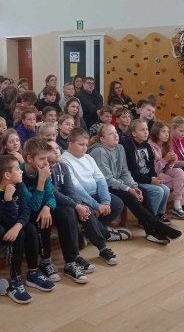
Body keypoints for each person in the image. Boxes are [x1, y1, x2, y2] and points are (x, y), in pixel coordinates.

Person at [88, 124, 182, 244]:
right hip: (103, 187)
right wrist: (128, 189)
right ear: (102, 139)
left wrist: (134, 186)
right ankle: (159, 227)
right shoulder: (99, 151)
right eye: (111, 134)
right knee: (129, 196)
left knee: (143, 192)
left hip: (118, 184)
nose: (115, 135)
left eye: (116, 132)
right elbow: (107, 180)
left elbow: (125, 172)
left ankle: (151, 232)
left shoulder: (119, 148)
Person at [21, 138, 90, 284]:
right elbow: (33, 206)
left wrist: (47, 207)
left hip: (43, 208)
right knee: (40, 217)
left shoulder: (43, 170)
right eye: (42, 159)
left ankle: (71, 262)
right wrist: (41, 181)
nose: (46, 163)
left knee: (68, 212)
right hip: (27, 214)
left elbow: (51, 196)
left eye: (47, 158)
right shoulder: (20, 175)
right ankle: (45, 261)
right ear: (29, 158)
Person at [61, 127, 131, 243]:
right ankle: (105, 234)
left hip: (95, 194)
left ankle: (90, 233)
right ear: (71, 144)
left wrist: (105, 201)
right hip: (80, 198)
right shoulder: (64, 160)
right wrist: (97, 205)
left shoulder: (88, 157)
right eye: (81, 144)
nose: (85, 148)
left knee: (117, 204)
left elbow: (101, 180)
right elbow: (76, 188)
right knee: (88, 211)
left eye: (86, 145)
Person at [0, 155, 51, 304]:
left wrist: (18, 226)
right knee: (18, 235)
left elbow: (25, 210)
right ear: (7, 175)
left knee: (31, 230)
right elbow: (8, 220)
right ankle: (15, 279)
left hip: (16, 223)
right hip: (3, 224)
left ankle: (33, 272)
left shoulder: (19, 185)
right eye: (18, 169)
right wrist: (8, 199)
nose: (21, 171)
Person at [124, 120, 171, 223]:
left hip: (147, 179)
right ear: (134, 133)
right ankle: (147, 220)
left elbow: (151, 165)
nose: (146, 132)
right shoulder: (129, 147)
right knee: (158, 191)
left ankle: (158, 215)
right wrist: (150, 181)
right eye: (142, 130)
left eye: (147, 129)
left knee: (166, 189)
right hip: (136, 181)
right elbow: (134, 172)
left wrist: (153, 177)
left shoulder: (147, 146)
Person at [149, 121, 184, 220]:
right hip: (154, 175)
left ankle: (178, 206)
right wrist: (165, 160)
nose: (166, 134)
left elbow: (166, 168)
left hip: (162, 172)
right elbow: (153, 170)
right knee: (182, 180)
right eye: (163, 132)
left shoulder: (165, 145)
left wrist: (172, 161)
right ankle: (177, 207)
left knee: (180, 173)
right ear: (156, 132)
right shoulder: (150, 146)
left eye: (168, 132)